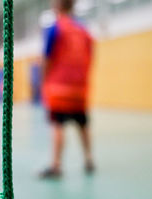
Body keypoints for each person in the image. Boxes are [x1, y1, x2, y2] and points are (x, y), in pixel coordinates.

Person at [40, 0, 94, 178]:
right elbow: (90, 57)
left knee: (58, 125)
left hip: (58, 88)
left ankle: (56, 165)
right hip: (79, 88)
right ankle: (89, 159)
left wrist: (44, 80)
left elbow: (47, 58)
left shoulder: (55, 29)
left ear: (57, 6)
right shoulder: (84, 31)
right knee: (83, 124)